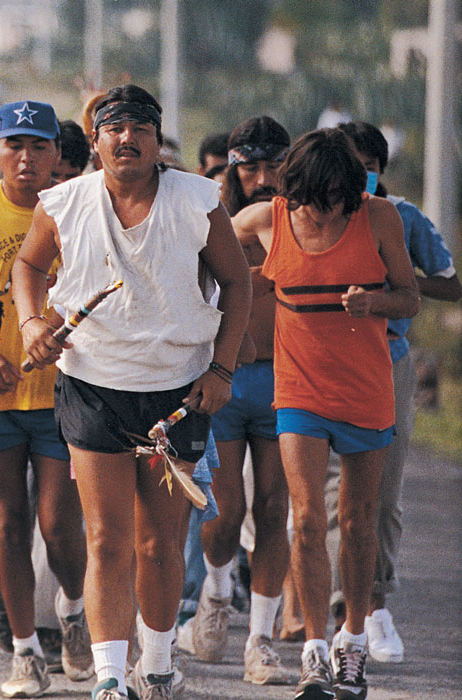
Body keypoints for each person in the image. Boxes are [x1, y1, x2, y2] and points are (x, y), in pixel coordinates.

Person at [13, 84, 251, 700]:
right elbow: (27, 266)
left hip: (178, 391)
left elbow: (237, 282)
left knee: (159, 542)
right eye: (114, 128)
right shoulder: (63, 202)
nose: (127, 138)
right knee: (105, 539)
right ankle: (110, 679)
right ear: (94, 141)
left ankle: (160, 664)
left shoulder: (197, 199)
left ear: (157, 140)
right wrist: (32, 322)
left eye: (140, 128)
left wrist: (222, 370)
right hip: (93, 385)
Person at [233, 128, 419, 700]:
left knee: (359, 522)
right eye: (320, 200)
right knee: (308, 519)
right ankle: (314, 651)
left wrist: (375, 301)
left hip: (365, 390)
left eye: (342, 198)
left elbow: (410, 297)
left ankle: (352, 642)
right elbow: (203, 251)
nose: (331, 211)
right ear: (297, 190)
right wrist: (233, 299)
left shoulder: (378, 216)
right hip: (300, 392)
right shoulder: (266, 220)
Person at [322, 121, 460, 663]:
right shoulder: (313, 213)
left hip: (387, 359)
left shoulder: (402, 217)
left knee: (381, 492)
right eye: (347, 168)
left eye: (367, 169)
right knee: (328, 495)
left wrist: (396, 282)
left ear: (381, 171)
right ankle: (341, 608)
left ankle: (375, 603)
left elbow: (449, 284)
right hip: (321, 360)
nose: (357, 179)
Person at [0, 100, 92, 698]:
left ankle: (73, 608)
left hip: (62, 394)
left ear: (56, 154)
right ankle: (24, 653)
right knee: (6, 522)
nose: (25, 157)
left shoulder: (79, 210)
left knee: (59, 525)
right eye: (13, 144)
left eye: (38, 146)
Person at [184, 116, 293, 686]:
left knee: (274, 510)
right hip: (225, 379)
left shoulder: (300, 221)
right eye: (251, 167)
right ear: (231, 169)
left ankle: (261, 639)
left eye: (274, 166)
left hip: (286, 380)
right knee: (225, 515)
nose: (263, 178)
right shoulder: (211, 218)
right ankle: (217, 591)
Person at [222, 116, 290, 217]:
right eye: (251, 169)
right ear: (235, 174)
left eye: (273, 167)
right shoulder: (213, 222)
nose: (263, 181)